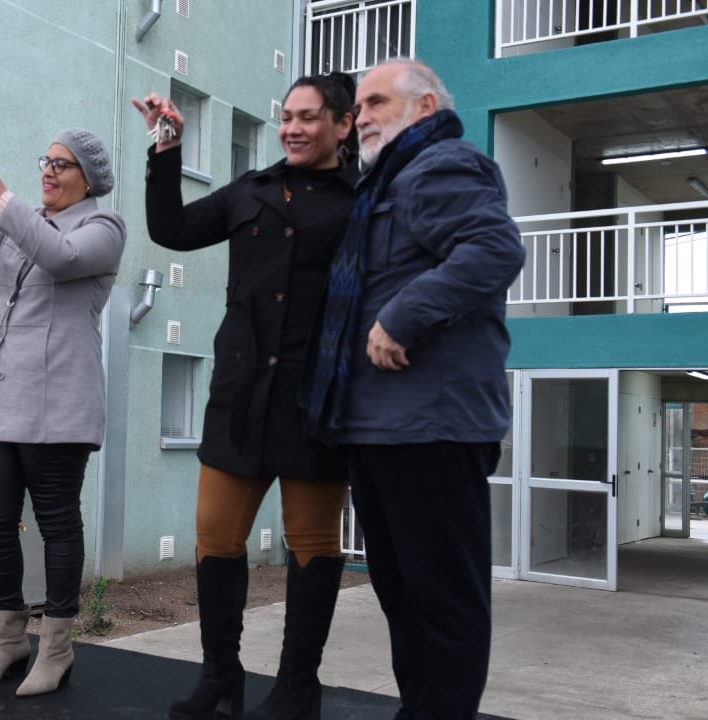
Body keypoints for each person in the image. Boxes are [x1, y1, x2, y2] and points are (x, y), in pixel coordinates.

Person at [303, 59, 525, 719]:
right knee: (402, 596)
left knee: (444, 602)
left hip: (433, 425)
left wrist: (401, 315)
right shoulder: (389, 183)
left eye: (375, 102)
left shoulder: (440, 166)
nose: (360, 115)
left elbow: (494, 250)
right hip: (380, 425)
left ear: (423, 108)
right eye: (359, 105)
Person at [133, 74, 358, 720]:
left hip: (315, 401)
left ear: (342, 127)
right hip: (239, 395)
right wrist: (166, 145)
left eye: (309, 118)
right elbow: (171, 228)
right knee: (215, 536)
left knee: (311, 543)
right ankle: (220, 675)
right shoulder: (250, 190)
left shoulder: (362, 202)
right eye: (287, 116)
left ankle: (297, 688)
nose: (292, 128)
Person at [0, 129, 125, 697]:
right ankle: (8, 638)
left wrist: (4, 200)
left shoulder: (102, 228)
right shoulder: (21, 227)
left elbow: (60, 258)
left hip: (59, 404)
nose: (49, 171)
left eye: (61, 165)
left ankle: (58, 647)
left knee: (56, 523)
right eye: (46, 161)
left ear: (88, 179)